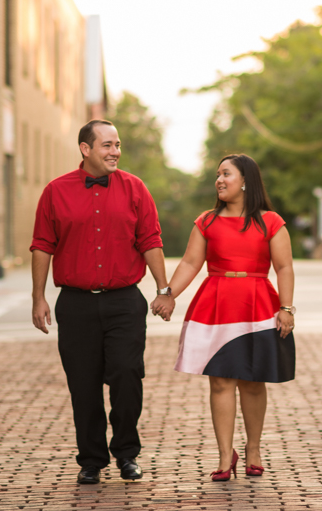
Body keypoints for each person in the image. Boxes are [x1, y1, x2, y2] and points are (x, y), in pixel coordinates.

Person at [30, 120, 170, 485]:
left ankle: (126, 453)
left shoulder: (135, 189)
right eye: (107, 145)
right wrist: (38, 297)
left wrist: (163, 289)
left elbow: (150, 239)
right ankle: (91, 459)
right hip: (75, 305)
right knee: (83, 384)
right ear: (85, 148)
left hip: (124, 301)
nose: (115, 152)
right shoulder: (55, 192)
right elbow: (43, 244)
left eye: (118, 145)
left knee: (127, 375)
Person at [150, 153, 296, 481]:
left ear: (245, 181)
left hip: (257, 305)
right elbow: (190, 263)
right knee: (220, 381)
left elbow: (284, 267)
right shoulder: (206, 221)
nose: (219, 179)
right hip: (215, 305)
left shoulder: (271, 221)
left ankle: (254, 449)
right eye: (217, 174)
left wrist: (286, 308)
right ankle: (223, 455)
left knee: (253, 381)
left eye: (226, 174)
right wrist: (168, 293)